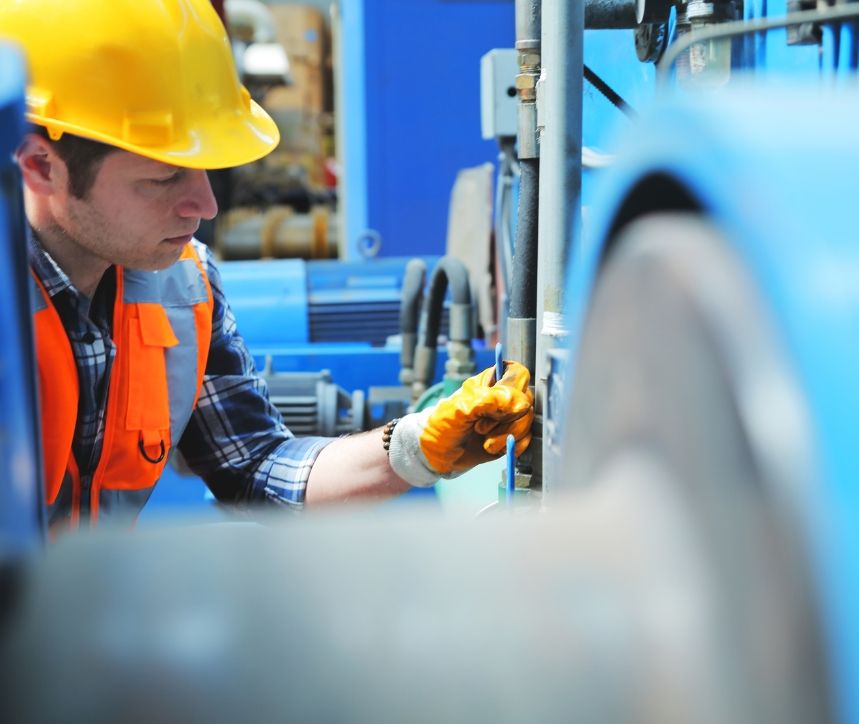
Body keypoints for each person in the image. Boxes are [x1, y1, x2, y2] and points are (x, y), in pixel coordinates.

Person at [2, 0, 533, 528]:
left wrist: (419, 445)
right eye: (163, 177)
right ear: (40, 166)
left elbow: (255, 468)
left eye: (205, 170)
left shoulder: (182, 286)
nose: (205, 206)